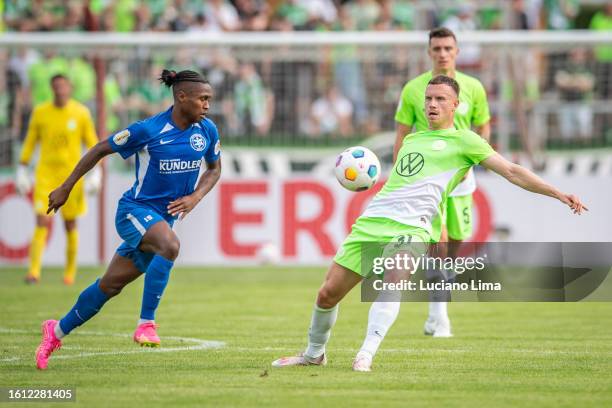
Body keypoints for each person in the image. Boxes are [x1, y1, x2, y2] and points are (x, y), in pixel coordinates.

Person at [271, 75, 586, 372]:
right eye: (429, 99)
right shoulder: (413, 140)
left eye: (440, 99)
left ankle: (365, 354)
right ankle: (314, 354)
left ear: (455, 106)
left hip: (415, 227)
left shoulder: (465, 141)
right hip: (374, 221)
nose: (432, 104)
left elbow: (512, 171)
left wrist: (557, 193)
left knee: (394, 279)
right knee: (328, 294)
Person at [34, 69, 222, 370]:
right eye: (203, 99)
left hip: (160, 222)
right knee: (170, 246)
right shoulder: (148, 130)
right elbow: (99, 149)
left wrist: (195, 197)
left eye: (209, 100)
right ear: (181, 97)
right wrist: (66, 187)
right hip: (133, 212)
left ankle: (55, 331)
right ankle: (147, 323)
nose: (207, 105)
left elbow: (214, 169)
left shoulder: (207, 130)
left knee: (109, 286)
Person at [391, 27, 491, 340]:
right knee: (439, 243)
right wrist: (402, 175)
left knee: (457, 240)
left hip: (461, 179)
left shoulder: (473, 87)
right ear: (429, 52)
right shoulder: (413, 89)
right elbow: (401, 135)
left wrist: (475, 158)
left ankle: (437, 305)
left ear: (457, 52)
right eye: (437, 48)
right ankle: (440, 316)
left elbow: (484, 125)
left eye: (448, 48)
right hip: (428, 179)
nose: (443, 53)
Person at [16, 74, 99, 285]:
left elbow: (93, 143)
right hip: (45, 175)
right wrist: (22, 168)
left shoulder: (80, 113)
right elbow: (30, 142)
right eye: (57, 87)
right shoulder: (41, 112)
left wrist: (96, 173)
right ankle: (33, 272)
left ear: (69, 88)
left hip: (71, 177)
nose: (60, 90)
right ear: (52, 89)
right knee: (41, 219)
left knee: (70, 224)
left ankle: (69, 274)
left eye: (64, 86)